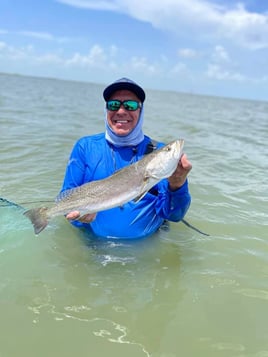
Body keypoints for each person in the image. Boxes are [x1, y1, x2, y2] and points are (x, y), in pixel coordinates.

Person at [61, 77, 192, 239]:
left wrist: (178, 185)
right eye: (114, 105)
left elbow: (174, 215)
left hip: (144, 254)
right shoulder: (85, 147)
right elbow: (65, 201)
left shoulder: (157, 151)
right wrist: (80, 219)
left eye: (131, 105)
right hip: (93, 248)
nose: (121, 111)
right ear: (106, 110)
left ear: (141, 110)